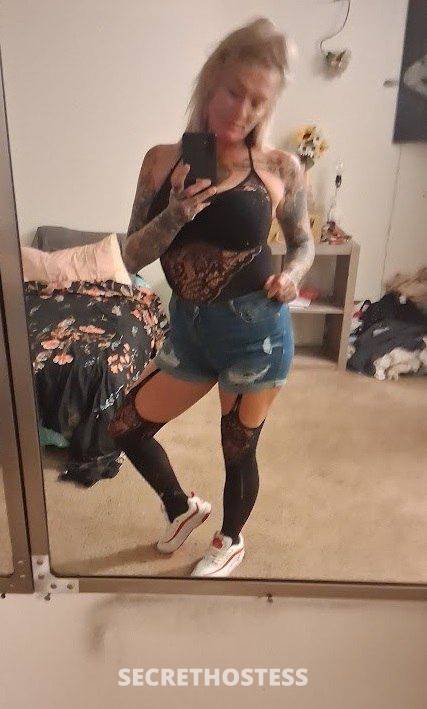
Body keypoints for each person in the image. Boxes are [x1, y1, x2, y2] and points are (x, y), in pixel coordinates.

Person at [107, 17, 315, 577]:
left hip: (256, 333)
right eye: (232, 92)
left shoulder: (280, 168)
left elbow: (303, 244)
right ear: (209, 83)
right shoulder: (160, 162)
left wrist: (293, 276)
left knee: (237, 448)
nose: (241, 111)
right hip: (189, 330)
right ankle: (182, 508)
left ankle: (231, 538)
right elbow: (131, 256)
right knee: (123, 426)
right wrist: (176, 214)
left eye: (257, 101)